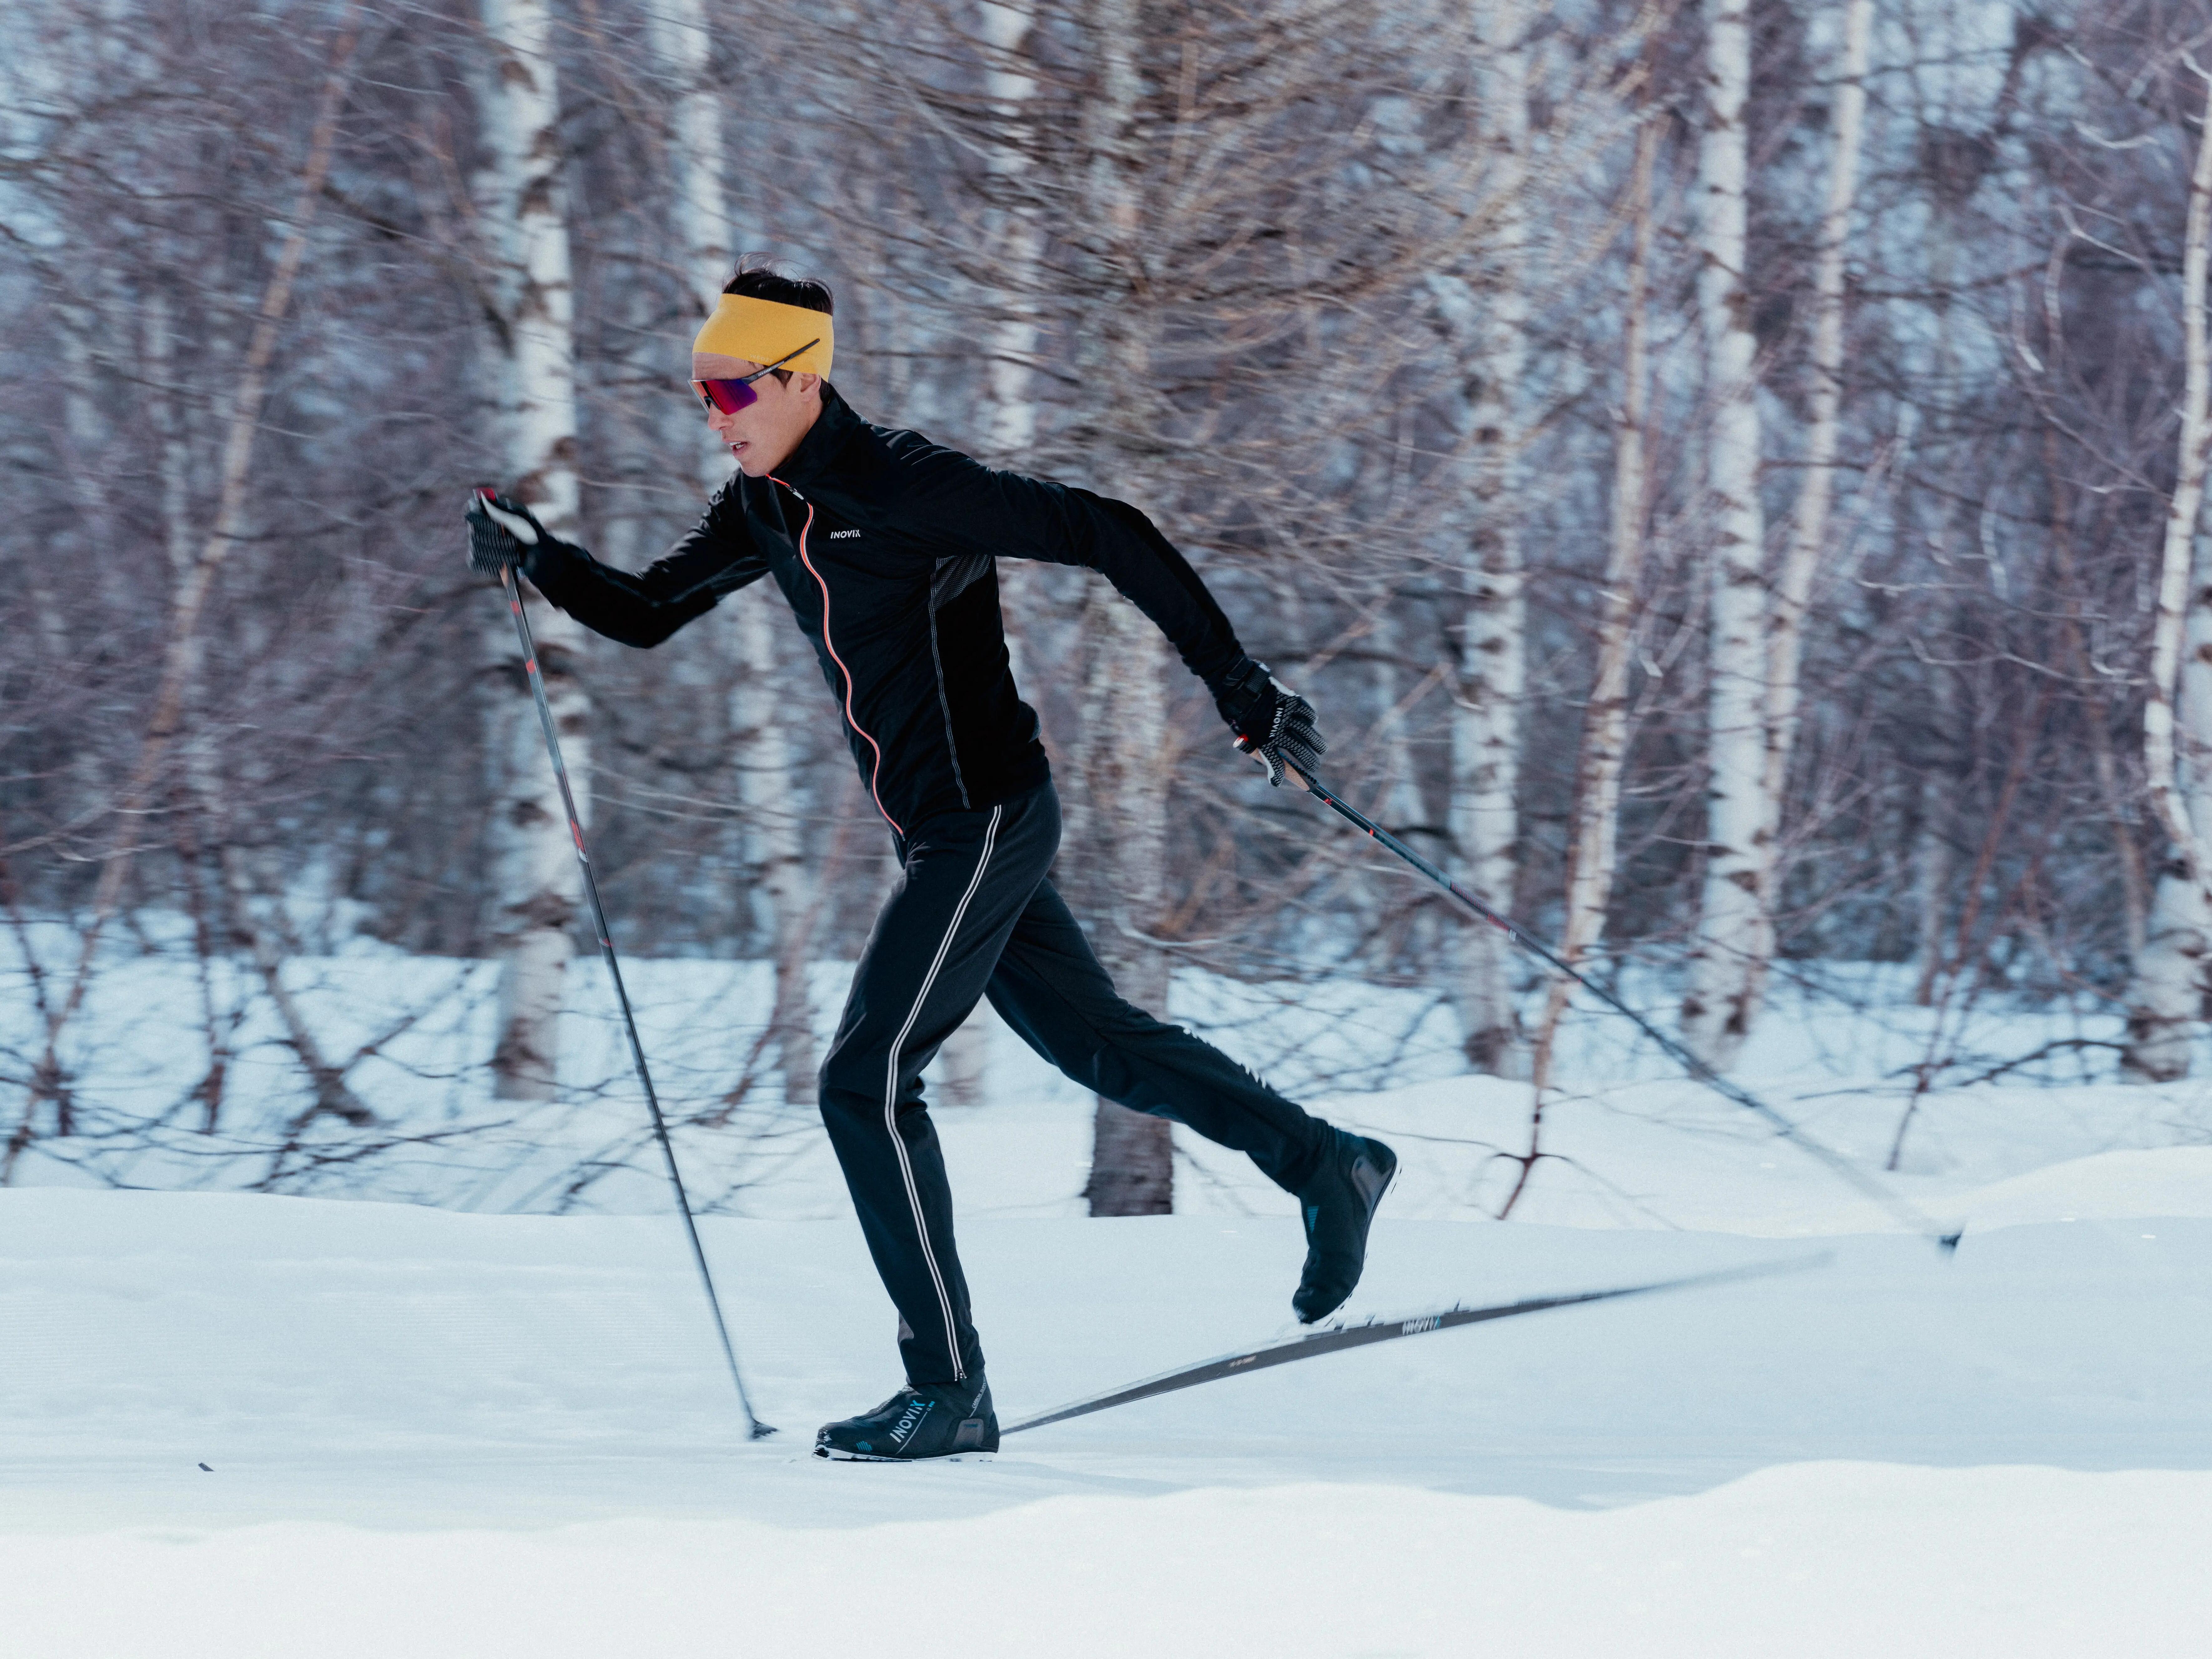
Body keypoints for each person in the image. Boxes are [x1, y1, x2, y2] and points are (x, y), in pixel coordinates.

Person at [465, 261, 1396, 1462]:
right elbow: (648, 611)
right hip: (944, 834)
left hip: (986, 818)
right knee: (1095, 1042)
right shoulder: (765, 505)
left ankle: (949, 1385)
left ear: (800, 380)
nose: (713, 410)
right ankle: (1328, 1163)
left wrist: (1242, 687)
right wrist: (537, 554)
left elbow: (1106, 531)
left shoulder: (908, 485)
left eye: (734, 388)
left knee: (865, 1078)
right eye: (702, 388)